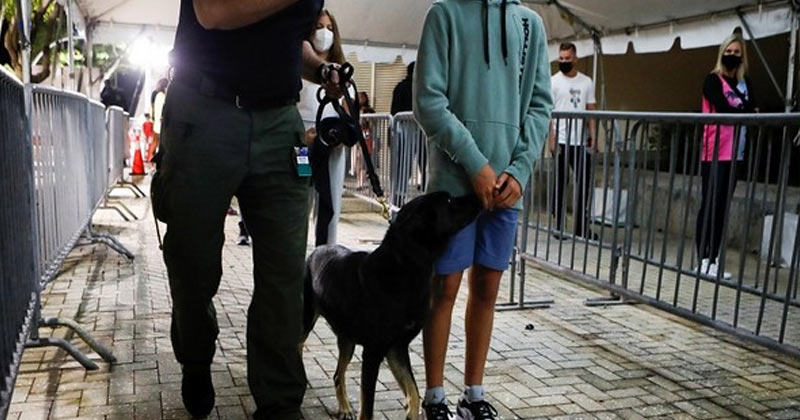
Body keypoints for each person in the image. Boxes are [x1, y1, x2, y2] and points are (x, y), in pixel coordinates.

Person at [152, 1, 341, 418]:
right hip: (204, 112)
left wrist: (321, 70)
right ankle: (196, 358)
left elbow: (291, 42)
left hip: (280, 123)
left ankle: (279, 401)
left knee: (285, 274)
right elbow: (214, 12)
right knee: (192, 263)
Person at [414, 1, 553, 418]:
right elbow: (428, 100)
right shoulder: (444, 14)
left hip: (508, 186)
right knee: (445, 290)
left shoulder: (530, 23)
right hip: (455, 186)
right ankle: (434, 395)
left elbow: (539, 105)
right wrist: (475, 164)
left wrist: (521, 169)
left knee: (488, 289)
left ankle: (474, 392)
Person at [696, 33, 756, 280]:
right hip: (714, 151)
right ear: (722, 53)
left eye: (736, 53)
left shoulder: (745, 84)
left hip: (736, 152)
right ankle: (702, 257)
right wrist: (744, 110)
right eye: (728, 52)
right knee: (710, 202)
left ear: (742, 57)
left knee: (722, 206)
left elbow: (753, 109)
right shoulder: (712, 80)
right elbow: (722, 106)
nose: (732, 56)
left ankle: (714, 258)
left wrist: (744, 110)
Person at [296, 9, 347, 247]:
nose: (324, 33)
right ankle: (294, 262)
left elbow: (349, 113)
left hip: (331, 149)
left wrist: (339, 135)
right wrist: (302, 139)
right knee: (299, 200)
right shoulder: (296, 69)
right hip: (301, 148)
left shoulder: (341, 71)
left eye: (329, 27)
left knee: (330, 204)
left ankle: (326, 254)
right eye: (318, 26)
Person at [548, 42, 597, 240]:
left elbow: (591, 110)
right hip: (561, 140)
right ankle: (559, 224)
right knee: (561, 183)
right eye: (561, 59)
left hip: (580, 141)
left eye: (568, 59)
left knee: (583, 184)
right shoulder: (553, 82)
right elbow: (548, 114)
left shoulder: (586, 82)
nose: (564, 62)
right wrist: (551, 140)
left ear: (575, 59)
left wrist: (593, 135)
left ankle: (581, 226)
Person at [148, 78, 169, 162]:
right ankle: (151, 159)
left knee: (156, 142)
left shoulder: (158, 95)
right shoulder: (161, 96)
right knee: (158, 142)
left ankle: (151, 158)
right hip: (160, 123)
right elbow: (162, 109)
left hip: (157, 123)